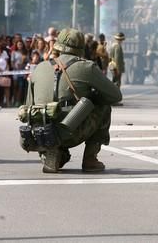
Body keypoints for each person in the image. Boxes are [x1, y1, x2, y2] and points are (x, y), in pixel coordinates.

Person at [25, 28, 122, 173]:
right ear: (81, 47)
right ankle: (90, 158)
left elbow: (28, 105)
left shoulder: (39, 67)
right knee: (104, 107)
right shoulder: (86, 67)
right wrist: (93, 97)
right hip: (70, 131)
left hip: (40, 134)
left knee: (40, 116)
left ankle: (51, 153)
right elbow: (116, 96)